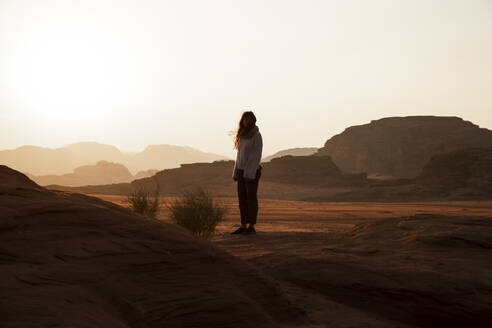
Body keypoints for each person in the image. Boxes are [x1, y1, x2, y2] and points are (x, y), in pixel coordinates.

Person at [231, 111, 263, 235]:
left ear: (253, 120)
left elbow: (256, 156)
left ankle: (251, 226)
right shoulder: (242, 136)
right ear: (242, 121)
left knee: (251, 199)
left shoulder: (256, 135)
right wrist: (235, 172)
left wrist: (250, 173)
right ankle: (243, 225)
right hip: (240, 171)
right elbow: (239, 156)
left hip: (252, 172)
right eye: (245, 119)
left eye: (249, 119)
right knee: (242, 199)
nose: (247, 121)